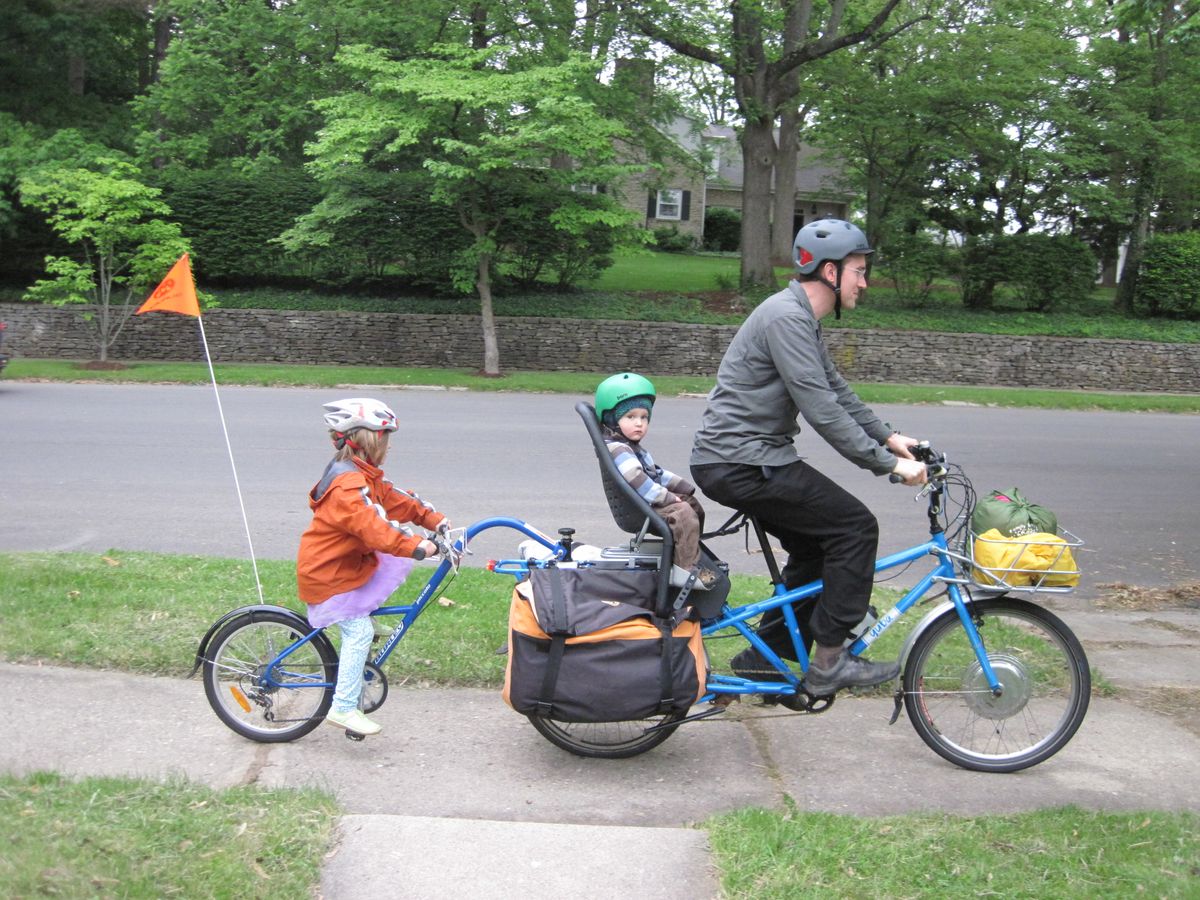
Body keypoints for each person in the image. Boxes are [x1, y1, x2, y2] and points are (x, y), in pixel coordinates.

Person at [689, 219, 927, 696]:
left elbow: (835, 388)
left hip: (749, 458)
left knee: (816, 548)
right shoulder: (785, 318)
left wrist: (889, 437)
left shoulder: (800, 317)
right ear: (830, 273)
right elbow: (819, 407)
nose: (865, 281)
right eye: (859, 270)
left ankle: (765, 659)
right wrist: (888, 467)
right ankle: (829, 662)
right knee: (855, 528)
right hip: (741, 462)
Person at [297, 397, 450, 736]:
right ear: (367, 441)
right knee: (359, 631)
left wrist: (435, 521)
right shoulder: (348, 487)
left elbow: (398, 501)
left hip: (346, 564)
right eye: (385, 438)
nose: (389, 446)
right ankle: (342, 708)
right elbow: (374, 526)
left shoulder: (365, 477)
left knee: (386, 570)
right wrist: (415, 545)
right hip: (328, 575)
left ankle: (354, 671)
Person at [595, 372, 717, 588]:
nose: (639, 423)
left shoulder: (633, 448)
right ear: (612, 419)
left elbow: (656, 473)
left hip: (645, 503)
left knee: (692, 505)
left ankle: (690, 555)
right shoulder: (620, 449)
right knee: (684, 512)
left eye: (644, 417)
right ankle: (686, 570)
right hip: (638, 509)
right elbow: (637, 478)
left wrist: (684, 487)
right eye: (630, 417)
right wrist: (668, 497)